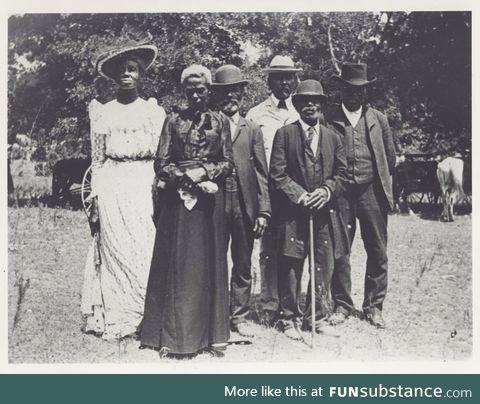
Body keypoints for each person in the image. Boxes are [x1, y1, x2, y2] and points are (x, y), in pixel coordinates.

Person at [140, 65, 234, 358]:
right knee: (178, 265)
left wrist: (205, 172)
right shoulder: (172, 121)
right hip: (177, 203)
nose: (195, 94)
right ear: (184, 91)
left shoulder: (220, 122)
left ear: (209, 91)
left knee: (207, 265)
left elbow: (228, 162)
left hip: (208, 205)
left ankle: (208, 337)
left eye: (201, 89)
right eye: (190, 89)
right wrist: (185, 178)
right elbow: (161, 162)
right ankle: (173, 338)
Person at [81, 40, 166, 339]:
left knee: (143, 244)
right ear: (114, 77)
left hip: (143, 181)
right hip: (113, 182)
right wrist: (95, 197)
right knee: (114, 246)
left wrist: (159, 187)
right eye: (122, 71)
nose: (126, 75)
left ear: (142, 75)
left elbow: (160, 157)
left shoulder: (153, 111)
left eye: (132, 70)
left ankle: (145, 312)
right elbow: (98, 158)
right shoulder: (103, 112)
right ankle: (117, 314)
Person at [269, 80, 348, 340]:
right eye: (304, 101)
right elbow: (277, 175)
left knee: (322, 265)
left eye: (315, 101)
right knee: (291, 265)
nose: (309, 105)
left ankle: (317, 316)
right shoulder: (285, 134)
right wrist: (301, 196)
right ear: (297, 105)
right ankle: (287, 318)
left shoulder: (334, 137)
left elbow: (342, 174)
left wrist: (326, 191)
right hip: (293, 214)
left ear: (322, 105)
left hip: (324, 214)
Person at [326, 63, 396, 329]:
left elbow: (389, 158)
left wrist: (379, 184)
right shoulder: (329, 117)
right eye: (350, 89)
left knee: (377, 250)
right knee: (340, 250)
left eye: (360, 90)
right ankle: (342, 304)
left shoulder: (379, 119)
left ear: (365, 92)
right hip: (341, 192)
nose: (355, 95)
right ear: (341, 89)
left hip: (371, 192)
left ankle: (374, 306)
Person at [211, 65, 271, 338]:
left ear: (242, 94)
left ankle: (240, 316)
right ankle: (215, 314)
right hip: (215, 203)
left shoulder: (253, 128)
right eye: (224, 92)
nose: (230, 97)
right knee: (214, 259)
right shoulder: (209, 124)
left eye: (235, 91)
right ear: (217, 95)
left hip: (245, 204)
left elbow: (261, 171)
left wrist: (263, 211)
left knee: (243, 263)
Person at [245, 55, 301, 325]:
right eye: (279, 77)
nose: (285, 82)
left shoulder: (301, 112)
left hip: (293, 193)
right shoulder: (255, 115)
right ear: (269, 80)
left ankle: (291, 305)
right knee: (267, 249)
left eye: (289, 77)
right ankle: (268, 305)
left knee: (291, 249)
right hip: (266, 191)